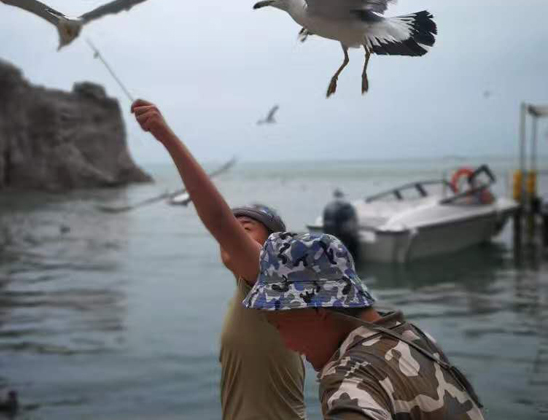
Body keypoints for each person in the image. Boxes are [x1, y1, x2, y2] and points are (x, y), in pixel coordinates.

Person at [131, 99, 306, 420]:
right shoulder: (254, 293)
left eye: (247, 228)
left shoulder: (272, 284)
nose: (232, 235)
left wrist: (164, 135)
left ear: (274, 244)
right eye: (234, 227)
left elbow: (218, 220)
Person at [242, 232, 485, 420]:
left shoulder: (350, 380)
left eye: (280, 325)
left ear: (317, 309)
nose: (287, 344)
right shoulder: (414, 337)